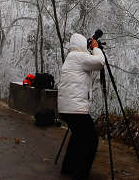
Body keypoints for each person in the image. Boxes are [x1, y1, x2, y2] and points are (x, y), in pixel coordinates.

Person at [57, 32, 106, 179]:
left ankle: (67, 167)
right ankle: (81, 174)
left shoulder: (71, 57)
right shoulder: (80, 57)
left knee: (78, 136)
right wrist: (96, 48)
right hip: (75, 109)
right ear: (82, 45)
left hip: (66, 108)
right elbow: (100, 62)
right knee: (91, 139)